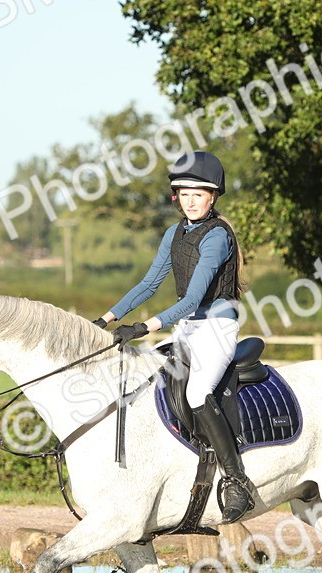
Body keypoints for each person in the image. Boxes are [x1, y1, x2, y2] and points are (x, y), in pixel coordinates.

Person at [92, 150, 255, 524]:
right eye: (185, 193)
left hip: (217, 327)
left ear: (213, 198)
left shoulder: (216, 238)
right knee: (145, 379)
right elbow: (150, 284)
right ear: (176, 197)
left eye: (199, 194)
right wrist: (104, 319)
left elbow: (193, 299)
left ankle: (236, 481)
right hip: (188, 327)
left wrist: (144, 327)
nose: (191, 201)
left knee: (198, 391)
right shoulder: (175, 233)